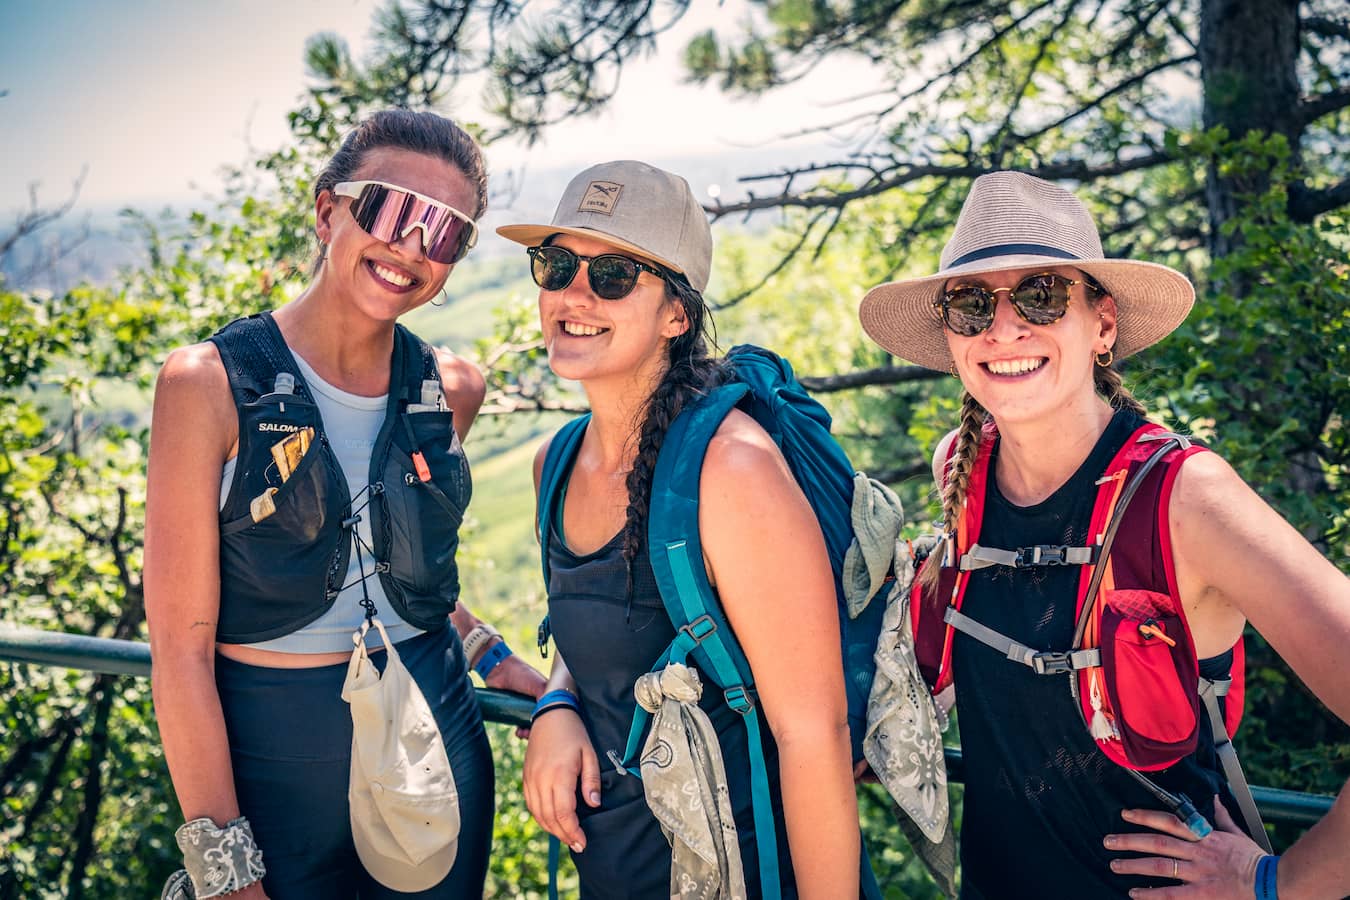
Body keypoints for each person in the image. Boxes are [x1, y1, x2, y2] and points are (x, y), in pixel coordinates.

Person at [857, 171, 1350, 898]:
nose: (1003, 328)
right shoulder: (964, 470)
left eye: (1042, 295)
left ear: (1105, 325)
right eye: (970, 304)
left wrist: (1274, 881)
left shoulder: (1185, 498)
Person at [145, 109, 545, 900]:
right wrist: (224, 869)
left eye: (445, 233)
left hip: (439, 741)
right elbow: (179, 652)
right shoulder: (208, 386)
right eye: (391, 210)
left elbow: (403, 569)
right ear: (328, 209)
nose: (411, 247)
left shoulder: (450, 389)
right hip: (271, 770)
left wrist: (492, 655)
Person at [498, 160, 861, 899]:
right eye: (557, 264)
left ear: (677, 315)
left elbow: (813, 736)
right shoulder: (556, 463)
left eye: (615, 276)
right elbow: (609, 631)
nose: (573, 295)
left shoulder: (730, 472)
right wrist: (559, 700)